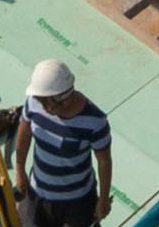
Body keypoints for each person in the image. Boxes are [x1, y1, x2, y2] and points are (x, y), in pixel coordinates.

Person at [14, 59, 115, 227]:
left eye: (46, 101)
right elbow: (24, 132)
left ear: (64, 97)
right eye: (40, 100)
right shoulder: (33, 103)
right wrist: (20, 169)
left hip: (77, 202)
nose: (43, 106)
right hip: (38, 194)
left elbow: (104, 161)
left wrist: (103, 200)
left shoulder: (95, 121)